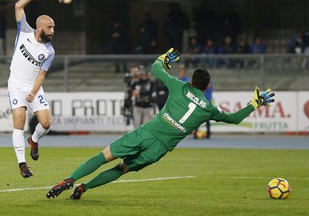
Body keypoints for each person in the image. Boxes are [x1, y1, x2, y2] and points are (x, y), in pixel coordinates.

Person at [46, 48, 274, 200]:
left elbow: (155, 68)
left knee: (104, 156)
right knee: (120, 169)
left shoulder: (180, 86)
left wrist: (164, 58)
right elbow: (234, 118)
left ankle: (69, 180)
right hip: (158, 149)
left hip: (146, 132)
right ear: (207, 87)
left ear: (191, 81)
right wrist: (254, 104)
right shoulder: (209, 109)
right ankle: (83, 189)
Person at [7, 0, 55, 178]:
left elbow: (41, 75)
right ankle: (22, 164)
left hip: (34, 87)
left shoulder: (49, 51)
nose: (53, 30)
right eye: (50, 27)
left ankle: (34, 140)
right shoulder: (24, 31)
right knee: (19, 121)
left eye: (54, 27)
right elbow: (18, 6)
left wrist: (34, 92)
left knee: (46, 123)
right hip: (16, 84)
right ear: (40, 27)